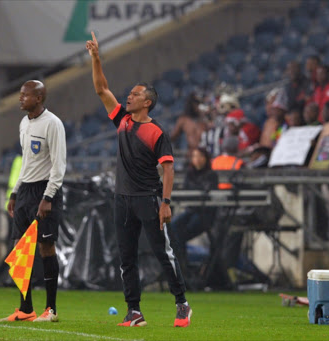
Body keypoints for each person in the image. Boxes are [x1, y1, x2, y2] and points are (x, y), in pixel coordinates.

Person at [86, 32, 191, 328]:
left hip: (148, 198)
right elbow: (101, 88)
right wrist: (96, 58)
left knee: (162, 252)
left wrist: (166, 202)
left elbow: (168, 170)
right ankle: (134, 311)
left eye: (134, 94)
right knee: (126, 258)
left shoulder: (156, 133)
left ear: (146, 102)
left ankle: (182, 303)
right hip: (122, 198)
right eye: (129, 94)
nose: (128, 96)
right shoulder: (122, 119)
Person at [0, 80, 66, 323]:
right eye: (20, 94)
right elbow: (27, 162)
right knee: (20, 250)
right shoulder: (24, 123)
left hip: (45, 190)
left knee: (46, 247)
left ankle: (51, 309)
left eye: (25, 95)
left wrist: (48, 197)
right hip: (26, 191)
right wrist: (15, 192)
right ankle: (25, 308)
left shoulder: (53, 124)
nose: (20, 99)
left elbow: (59, 165)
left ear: (38, 98)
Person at [170, 147, 218, 279]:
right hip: (191, 210)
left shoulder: (211, 175)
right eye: (195, 156)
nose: (197, 159)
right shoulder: (189, 174)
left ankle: (184, 268)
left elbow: (206, 193)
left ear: (206, 159)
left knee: (182, 234)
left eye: (200, 156)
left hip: (204, 213)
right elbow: (187, 192)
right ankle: (181, 265)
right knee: (172, 228)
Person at [170, 93, 206, 158]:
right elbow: (172, 137)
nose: (198, 106)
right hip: (191, 155)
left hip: (204, 154)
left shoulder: (204, 120)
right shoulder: (184, 120)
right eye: (196, 103)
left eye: (199, 104)